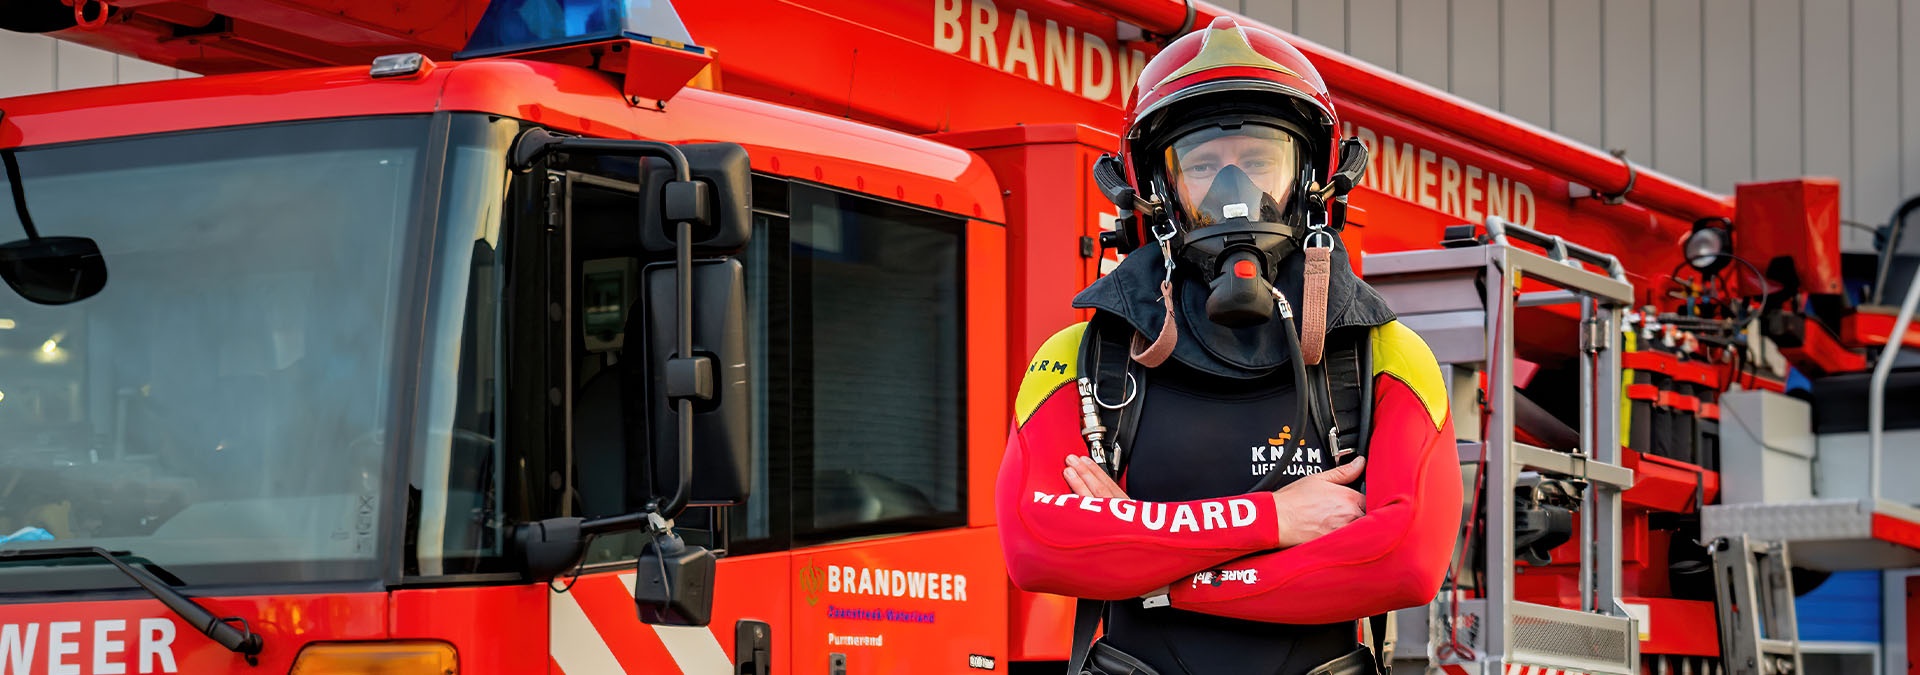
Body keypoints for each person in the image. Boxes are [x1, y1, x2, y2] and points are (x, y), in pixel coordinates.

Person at [996, 16, 1463, 675]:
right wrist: (1274, 519)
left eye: (1258, 162)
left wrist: (1151, 566)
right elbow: (1036, 545)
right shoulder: (1080, 354)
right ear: (1158, 192)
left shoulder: (1384, 353)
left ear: (1309, 181)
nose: (1233, 194)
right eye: (1204, 166)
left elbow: (1406, 562)